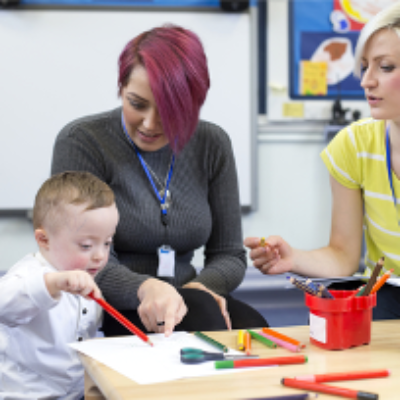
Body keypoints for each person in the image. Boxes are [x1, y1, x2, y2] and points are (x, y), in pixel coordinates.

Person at [51, 24, 267, 337]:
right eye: (136, 103)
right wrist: (147, 288)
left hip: (188, 295)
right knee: (205, 322)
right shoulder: (83, 141)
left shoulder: (213, 143)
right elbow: (81, 259)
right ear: (121, 87)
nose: (150, 124)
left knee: (255, 330)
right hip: (111, 302)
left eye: (169, 110)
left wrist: (200, 288)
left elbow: (229, 255)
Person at [245, 2, 400, 320]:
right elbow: (343, 257)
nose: (366, 81)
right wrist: (293, 258)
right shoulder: (353, 145)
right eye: (365, 66)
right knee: (339, 329)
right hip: (387, 290)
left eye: (385, 67)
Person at [0, 171, 119, 400]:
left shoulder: (86, 277)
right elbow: (4, 303)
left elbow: (84, 337)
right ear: (44, 239)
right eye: (86, 245)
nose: (100, 256)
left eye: (107, 243)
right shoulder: (29, 275)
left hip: (73, 393)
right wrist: (53, 284)